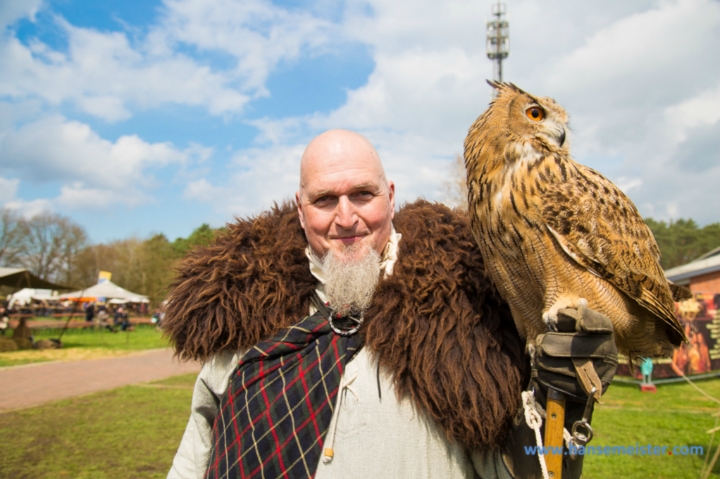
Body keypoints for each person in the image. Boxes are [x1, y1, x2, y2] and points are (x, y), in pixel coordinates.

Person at [165, 129, 617, 479]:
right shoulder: (243, 323)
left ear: (391, 197)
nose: (346, 218)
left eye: (363, 193)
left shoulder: (469, 324)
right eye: (325, 200)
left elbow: (528, 469)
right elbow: (193, 460)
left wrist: (561, 402)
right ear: (301, 212)